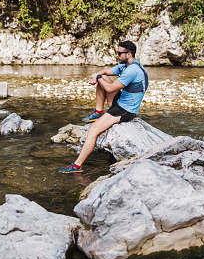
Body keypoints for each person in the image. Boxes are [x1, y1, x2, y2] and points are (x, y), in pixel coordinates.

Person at [58, 40, 148, 173]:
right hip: (122, 102)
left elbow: (111, 89)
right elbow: (105, 71)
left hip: (125, 110)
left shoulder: (132, 70)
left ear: (128, 54)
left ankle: (77, 166)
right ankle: (99, 111)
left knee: (93, 131)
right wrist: (97, 75)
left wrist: (98, 77)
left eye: (119, 53)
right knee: (103, 78)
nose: (117, 55)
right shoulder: (125, 65)